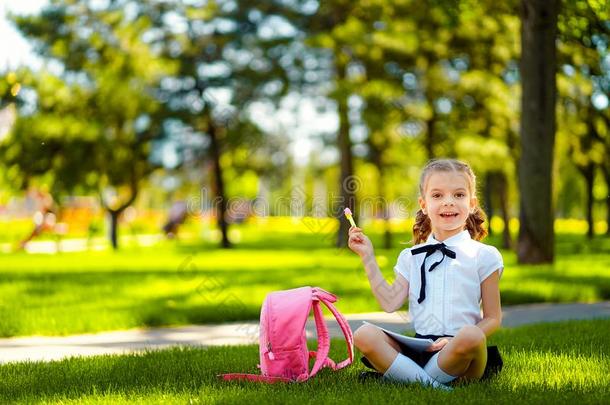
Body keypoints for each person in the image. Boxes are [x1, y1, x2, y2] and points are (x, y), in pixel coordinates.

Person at [348, 158, 503, 389]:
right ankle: (434, 386)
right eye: (437, 195)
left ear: (472, 204)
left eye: (458, 195)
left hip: (461, 349)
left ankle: (408, 378)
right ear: (423, 204)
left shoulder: (484, 255)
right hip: (420, 347)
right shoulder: (411, 256)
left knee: (472, 335)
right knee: (363, 334)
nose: (448, 202)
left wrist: (452, 341)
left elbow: (492, 318)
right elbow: (390, 303)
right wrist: (367, 256)